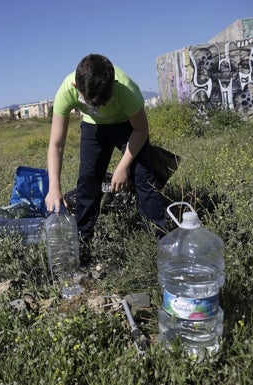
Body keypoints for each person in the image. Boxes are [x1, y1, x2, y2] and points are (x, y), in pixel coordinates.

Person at [45, 54, 168, 258]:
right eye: (90, 102)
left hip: (127, 127)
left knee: (144, 178)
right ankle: (83, 240)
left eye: (102, 101)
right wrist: (53, 188)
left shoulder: (126, 91)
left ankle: (159, 240)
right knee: (88, 180)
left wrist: (122, 168)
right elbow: (56, 145)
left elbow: (141, 130)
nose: (97, 107)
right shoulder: (66, 91)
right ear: (77, 87)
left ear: (114, 86)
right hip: (94, 128)